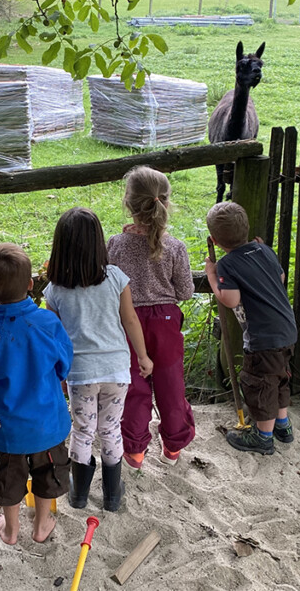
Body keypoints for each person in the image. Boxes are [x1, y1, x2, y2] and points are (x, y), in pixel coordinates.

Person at [44, 207, 153, 512]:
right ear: (98, 243)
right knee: (110, 430)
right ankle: (112, 495)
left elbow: (55, 336)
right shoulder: (116, 278)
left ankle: (79, 495)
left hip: (80, 373)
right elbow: (130, 320)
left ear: (60, 246)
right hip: (116, 370)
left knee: (82, 431)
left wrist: (56, 371)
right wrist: (143, 356)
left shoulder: (54, 290)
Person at [0, 243, 73, 544]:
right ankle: (42, 523)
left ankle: (11, 531)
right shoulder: (47, 322)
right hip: (49, 423)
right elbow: (64, 365)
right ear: (30, 284)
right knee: (47, 475)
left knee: (9, 479)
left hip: (8, 429)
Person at [106, 166, 195, 469]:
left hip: (126, 322)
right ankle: (173, 446)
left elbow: (106, 288)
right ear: (165, 203)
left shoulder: (115, 245)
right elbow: (185, 291)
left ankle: (134, 451)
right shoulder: (175, 248)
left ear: (128, 204)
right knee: (171, 385)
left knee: (133, 386)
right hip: (166, 324)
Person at [204, 202, 297, 455]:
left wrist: (212, 275)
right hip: (286, 330)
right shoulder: (264, 250)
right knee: (279, 378)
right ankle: (283, 426)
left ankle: (263, 437)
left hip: (262, 339)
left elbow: (230, 299)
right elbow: (280, 278)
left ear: (214, 239)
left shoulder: (227, 265)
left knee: (260, 385)